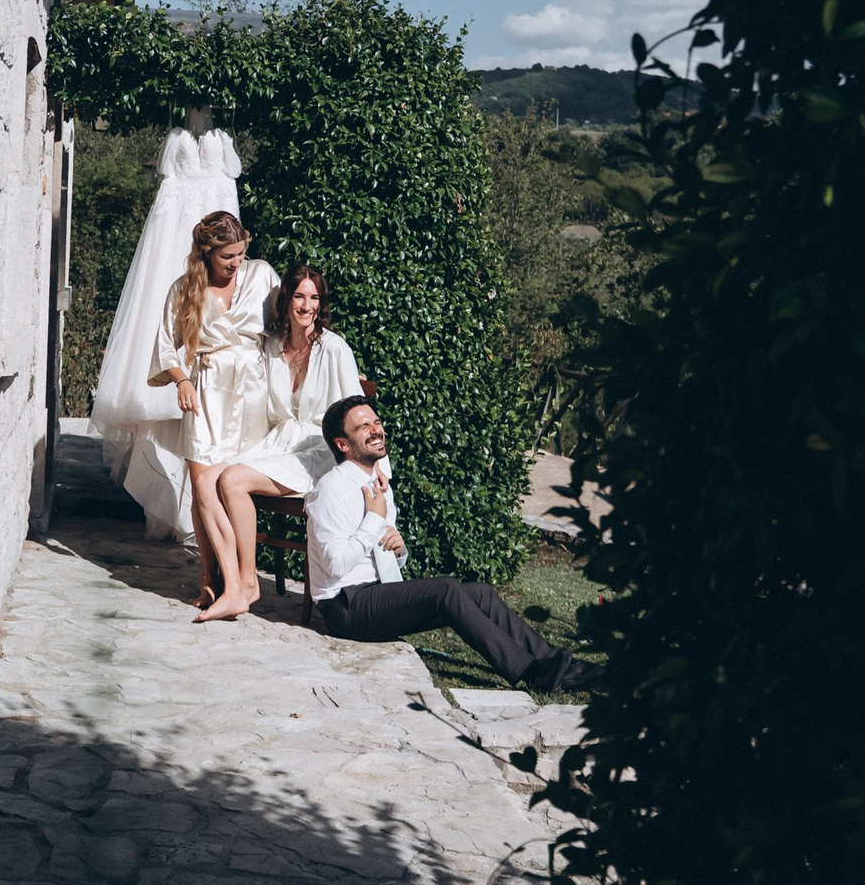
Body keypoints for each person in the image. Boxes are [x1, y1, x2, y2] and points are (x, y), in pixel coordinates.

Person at [304, 395, 602, 693]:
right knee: (444, 589)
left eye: (377, 423)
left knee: (482, 594)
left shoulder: (379, 485)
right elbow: (335, 565)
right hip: (345, 606)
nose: (376, 430)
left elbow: (382, 552)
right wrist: (374, 519)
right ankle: (530, 672)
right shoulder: (331, 489)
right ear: (342, 444)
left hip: (376, 591)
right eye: (364, 427)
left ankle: (556, 663)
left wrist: (399, 549)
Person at [190, 266, 368, 621]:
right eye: (300, 296)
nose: (307, 306)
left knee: (233, 480)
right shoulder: (270, 348)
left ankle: (246, 582)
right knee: (205, 479)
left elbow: (358, 411)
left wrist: (373, 473)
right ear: (286, 300)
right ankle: (215, 579)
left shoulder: (334, 349)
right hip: (278, 444)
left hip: (317, 450)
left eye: (314, 297)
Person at [149, 211, 279, 619]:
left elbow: (290, 326)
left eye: (241, 254)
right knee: (202, 484)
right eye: (227, 257)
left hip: (251, 390)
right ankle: (223, 579)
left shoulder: (262, 276)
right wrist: (181, 381)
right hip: (205, 389)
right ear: (206, 254)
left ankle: (231, 581)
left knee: (225, 484)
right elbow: (166, 346)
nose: (236, 263)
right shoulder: (186, 288)